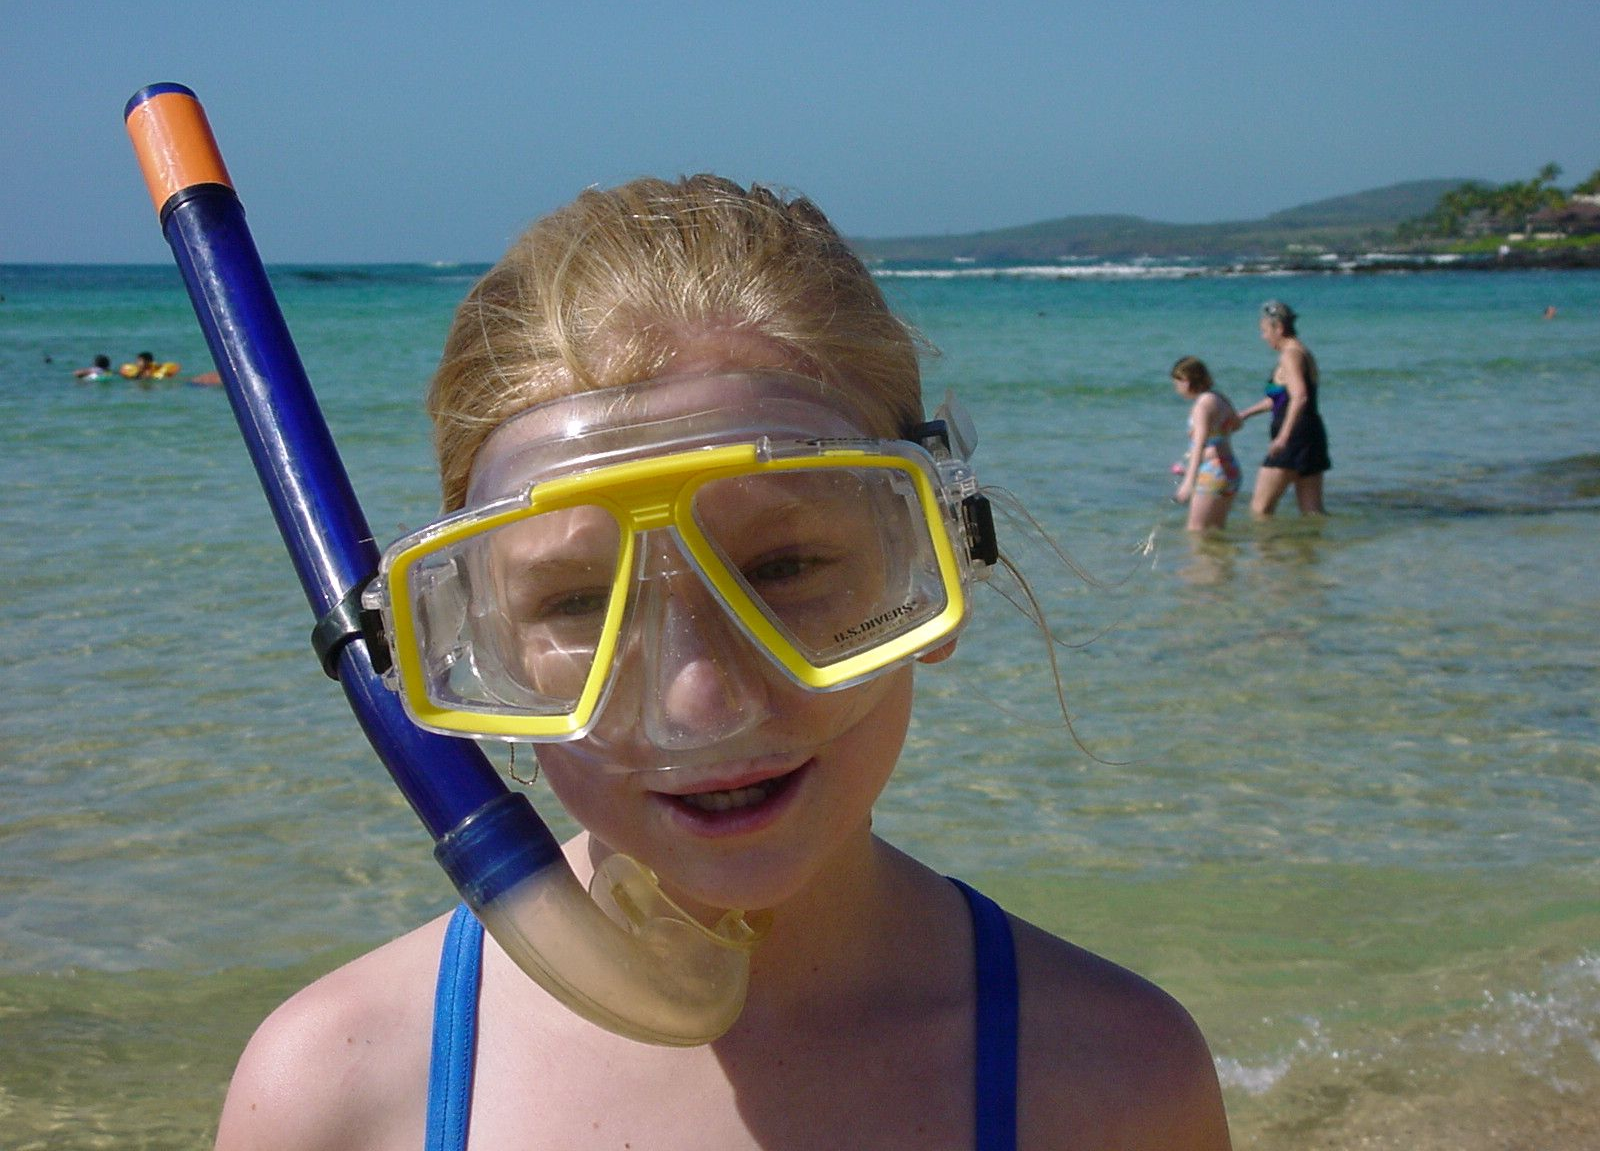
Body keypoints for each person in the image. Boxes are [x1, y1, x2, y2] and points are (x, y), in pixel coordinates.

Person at [212, 176, 1232, 1151]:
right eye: (577, 601)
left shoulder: (1111, 1084)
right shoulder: (334, 1096)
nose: (702, 702)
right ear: (481, 644)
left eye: (783, 568)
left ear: (934, 563)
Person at [1236, 300, 1329, 516]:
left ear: (1278, 328)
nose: (1263, 337)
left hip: (1294, 438)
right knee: (1312, 512)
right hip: (1311, 436)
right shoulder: (1302, 352)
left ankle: (1266, 542)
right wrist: (1245, 414)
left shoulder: (1290, 355)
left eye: (1264, 331)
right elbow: (1280, 399)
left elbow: (1300, 397)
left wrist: (1283, 437)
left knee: (1260, 510)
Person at [1169, 357, 1242, 531]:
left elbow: (1199, 442)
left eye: (1176, 383)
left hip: (1212, 472)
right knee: (1216, 530)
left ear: (1186, 381)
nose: (1176, 388)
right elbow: (1237, 424)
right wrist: (1216, 439)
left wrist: (1188, 481)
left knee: (1196, 531)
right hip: (1230, 470)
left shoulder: (1201, 406)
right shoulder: (1219, 398)